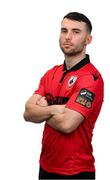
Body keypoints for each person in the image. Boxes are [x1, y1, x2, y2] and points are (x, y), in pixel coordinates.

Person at [23, 12, 104, 179]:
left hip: (76, 171)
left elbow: (67, 124)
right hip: (45, 166)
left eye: (76, 32)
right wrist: (56, 109)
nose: (68, 37)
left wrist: (43, 110)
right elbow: (27, 113)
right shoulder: (50, 73)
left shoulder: (91, 78)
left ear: (88, 40)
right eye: (64, 30)